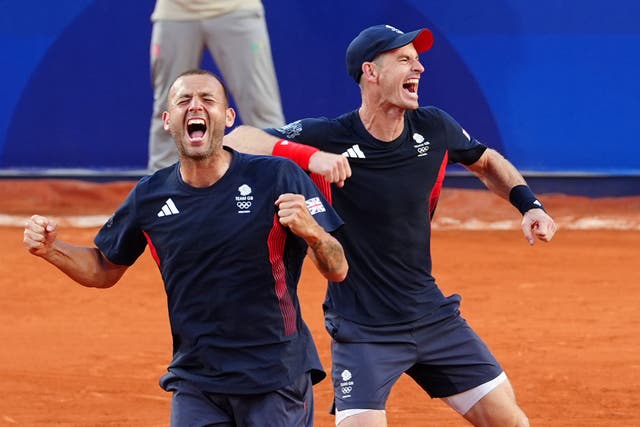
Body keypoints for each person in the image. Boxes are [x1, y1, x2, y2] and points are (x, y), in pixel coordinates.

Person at [223, 24, 558, 427]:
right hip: (363, 330)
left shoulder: (435, 127)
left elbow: (485, 161)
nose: (419, 67)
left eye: (417, 59)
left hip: (433, 317)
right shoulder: (329, 135)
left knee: (512, 423)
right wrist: (308, 157)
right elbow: (238, 139)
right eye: (404, 59)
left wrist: (530, 206)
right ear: (371, 72)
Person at [23, 69, 348, 427]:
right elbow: (103, 266)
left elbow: (338, 268)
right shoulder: (151, 196)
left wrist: (313, 232)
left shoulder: (278, 177)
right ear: (167, 120)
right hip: (197, 381)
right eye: (184, 100)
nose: (196, 106)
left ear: (227, 118)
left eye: (208, 99)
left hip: (275, 377)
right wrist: (52, 249)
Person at [148, 0, 285, 172]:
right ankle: (160, 189)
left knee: (261, 106)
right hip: (175, 12)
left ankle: (278, 179)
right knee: (170, 107)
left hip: (237, 9)